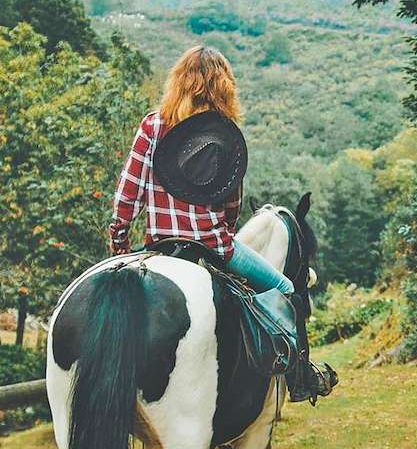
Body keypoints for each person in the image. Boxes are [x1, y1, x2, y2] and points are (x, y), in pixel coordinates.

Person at [107, 45, 335, 403]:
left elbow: (127, 192)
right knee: (285, 288)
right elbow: (232, 204)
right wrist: (219, 226)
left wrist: (119, 239)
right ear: (223, 86)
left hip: (158, 245)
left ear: (178, 81)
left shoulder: (153, 125)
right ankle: (300, 379)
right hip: (213, 246)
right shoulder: (225, 135)